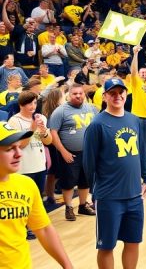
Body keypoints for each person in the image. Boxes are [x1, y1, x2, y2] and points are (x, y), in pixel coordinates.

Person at [83, 77, 146, 269]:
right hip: (109, 197)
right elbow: (88, 163)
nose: (117, 96)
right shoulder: (97, 124)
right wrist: (95, 192)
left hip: (134, 195)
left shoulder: (133, 119)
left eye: (121, 92)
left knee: (133, 242)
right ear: (104, 96)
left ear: (126, 94)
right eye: (112, 93)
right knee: (106, 246)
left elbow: (141, 152)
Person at [0, 122, 73, 268]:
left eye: (19, 147)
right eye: (9, 149)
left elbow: (44, 229)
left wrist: (67, 266)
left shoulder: (26, 185)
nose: (19, 153)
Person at [48, 83, 98, 221]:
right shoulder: (60, 111)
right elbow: (53, 133)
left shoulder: (91, 108)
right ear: (69, 95)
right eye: (74, 94)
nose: (78, 96)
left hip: (88, 153)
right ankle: (69, 208)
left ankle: (82, 205)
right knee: (68, 182)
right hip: (69, 153)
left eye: (80, 93)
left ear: (84, 94)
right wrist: (63, 151)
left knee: (85, 180)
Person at [7, 91, 53, 238]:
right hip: (24, 167)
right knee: (24, 199)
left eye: (34, 103)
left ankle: (35, 225)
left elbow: (48, 141)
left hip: (39, 164)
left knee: (37, 197)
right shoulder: (14, 121)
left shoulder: (41, 118)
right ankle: (24, 227)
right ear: (21, 105)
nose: (33, 106)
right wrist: (32, 129)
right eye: (29, 103)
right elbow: (20, 145)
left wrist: (43, 131)